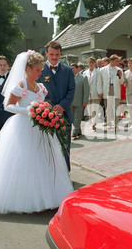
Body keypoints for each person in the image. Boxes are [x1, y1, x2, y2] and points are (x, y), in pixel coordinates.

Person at [0, 51, 74, 214]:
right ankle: (25, 198)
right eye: (37, 70)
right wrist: (30, 111)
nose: (40, 73)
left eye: (40, 70)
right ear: (28, 68)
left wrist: (46, 111)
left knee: (43, 160)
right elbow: (9, 105)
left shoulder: (40, 86)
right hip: (23, 126)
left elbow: (43, 103)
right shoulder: (21, 85)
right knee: (24, 161)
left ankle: (48, 195)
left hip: (40, 127)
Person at [39, 41, 75, 171]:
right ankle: (49, 173)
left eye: (57, 54)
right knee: (47, 147)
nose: (54, 57)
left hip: (64, 114)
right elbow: (37, 91)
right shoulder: (39, 69)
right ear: (46, 53)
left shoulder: (68, 70)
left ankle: (65, 172)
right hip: (44, 116)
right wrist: (49, 108)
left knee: (64, 146)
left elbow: (71, 91)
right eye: (52, 54)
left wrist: (62, 106)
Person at [97, 54, 125, 129]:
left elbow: (122, 82)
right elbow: (100, 82)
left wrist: (120, 76)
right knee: (108, 108)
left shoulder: (119, 70)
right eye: (116, 61)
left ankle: (116, 124)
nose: (117, 63)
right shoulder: (102, 70)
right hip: (107, 90)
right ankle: (108, 123)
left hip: (116, 90)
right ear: (111, 61)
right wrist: (100, 91)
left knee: (116, 108)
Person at [70, 63, 89, 139]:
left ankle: (75, 132)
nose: (72, 70)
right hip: (70, 101)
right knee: (71, 117)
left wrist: (85, 100)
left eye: (73, 68)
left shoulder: (83, 78)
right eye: (71, 68)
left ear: (77, 69)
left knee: (77, 117)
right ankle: (78, 130)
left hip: (79, 101)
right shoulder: (68, 78)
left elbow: (86, 90)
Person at [83, 57, 100, 131]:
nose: (91, 64)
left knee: (95, 109)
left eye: (92, 62)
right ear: (88, 64)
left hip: (95, 92)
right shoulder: (84, 73)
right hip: (87, 93)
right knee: (89, 109)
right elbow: (84, 84)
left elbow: (99, 83)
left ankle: (94, 124)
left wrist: (100, 92)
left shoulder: (98, 72)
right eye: (90, 62)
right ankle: (91, 123)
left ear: (94, 63)